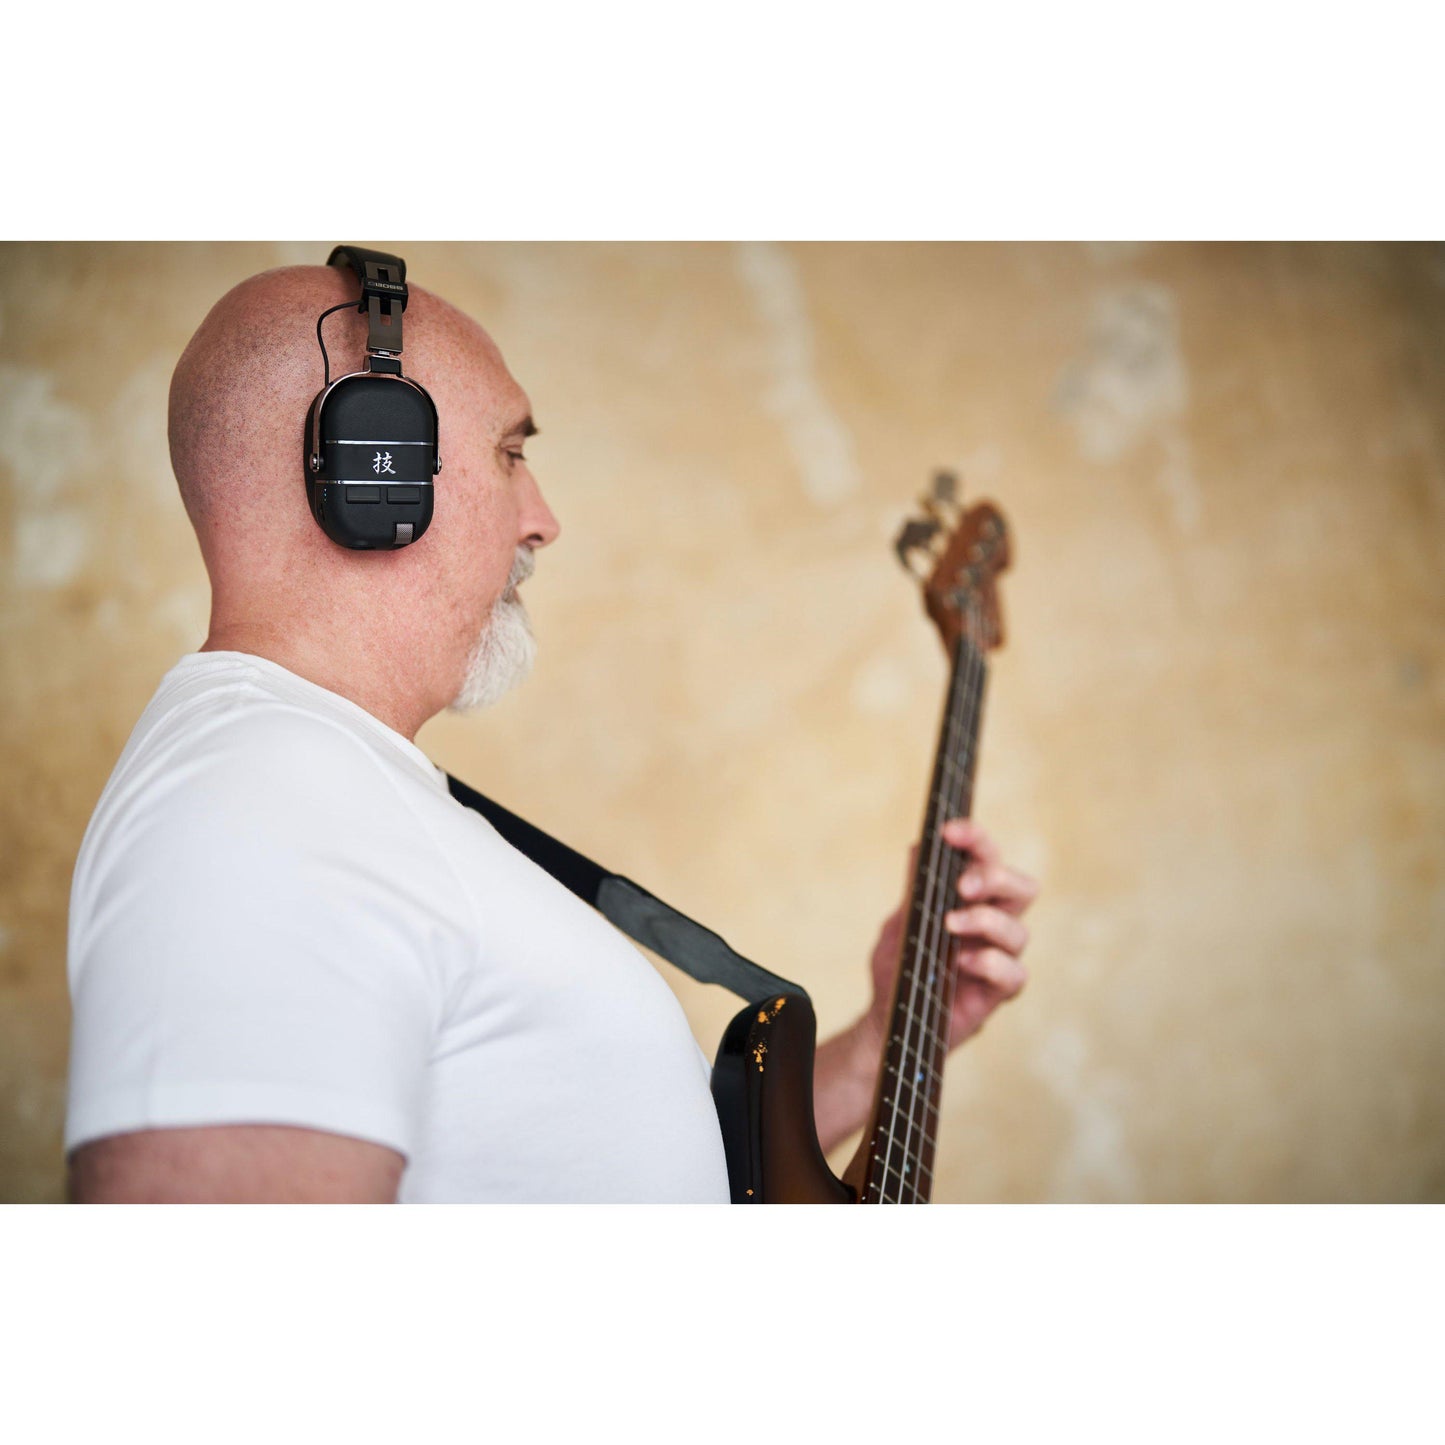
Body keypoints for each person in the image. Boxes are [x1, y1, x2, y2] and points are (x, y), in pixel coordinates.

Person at [64, 261, 1038, 1203]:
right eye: (510, 452)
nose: (543, 520)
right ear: (373, 467)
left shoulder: (338, 792)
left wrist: (883, 1042)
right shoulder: (262, 804)